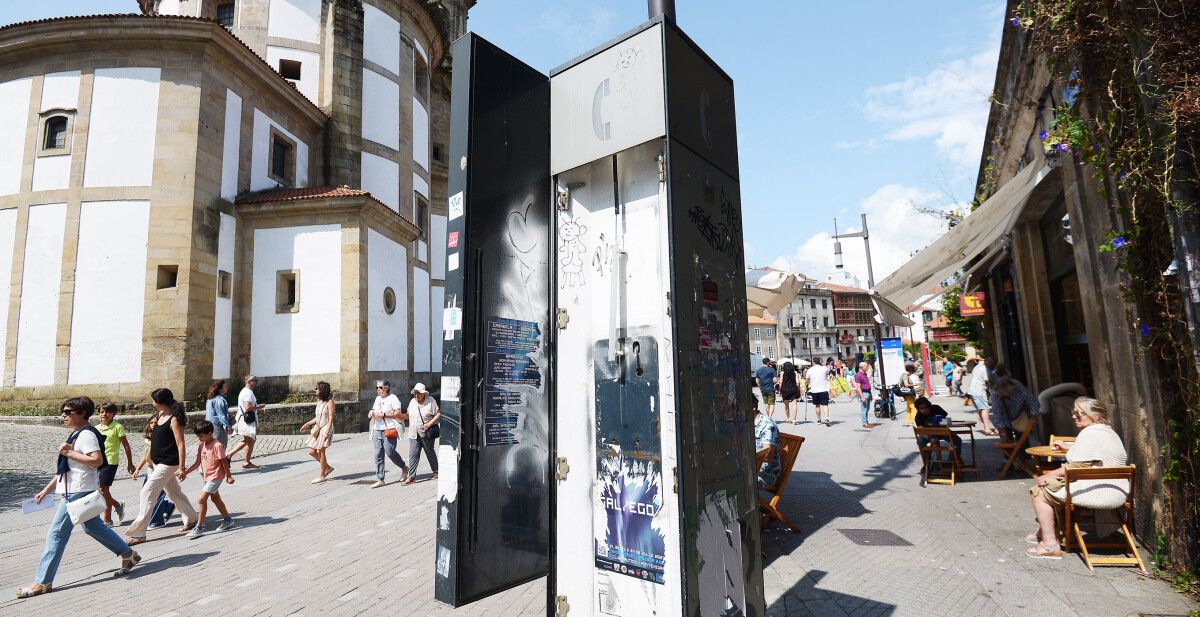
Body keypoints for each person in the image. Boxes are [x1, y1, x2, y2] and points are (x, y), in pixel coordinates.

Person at [16, 397, 141, 598]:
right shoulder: (77, 433)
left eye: (68, 412)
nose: (63, 415)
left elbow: (96, 460)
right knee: (92, 526)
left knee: (56, 534)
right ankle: (129, 554)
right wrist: (47, 489)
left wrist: (69, 452)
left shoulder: (86, 435)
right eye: (63, 412)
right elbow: (67, 470)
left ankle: (43, 581)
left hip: (78, 491)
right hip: (74, 488)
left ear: (82, 413)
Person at [1026, 398, 1128, 560]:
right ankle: (1055, 533)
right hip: (1118, 491)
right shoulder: (1107, 432)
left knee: (1039, 492)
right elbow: (1093, 457)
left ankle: (1050, 544)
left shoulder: (1089, 433)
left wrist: (1047, 475)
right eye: (1073, 412)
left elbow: (1077, 467)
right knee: (1054, 485)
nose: (1074, 416)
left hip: (1099, 492)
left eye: (1078, 413)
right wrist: (1069, 448)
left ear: (1094, 416)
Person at [124, 389, 198, 545]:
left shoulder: (174, 419)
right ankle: (192, 518)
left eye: (153, 400)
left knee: (147, 492)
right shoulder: (159, 416)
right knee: (174, 492)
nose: (152, 403)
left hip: (169, 462)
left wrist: (182, 467)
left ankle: (139, 533)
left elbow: (180, 444)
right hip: (158, 462)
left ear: (160, 401)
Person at [182, 420, 235, 539]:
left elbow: (224, 461)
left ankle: (199, 527)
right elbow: (197, 463)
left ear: (210, 433)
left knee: (201, 499)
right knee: (216, 499)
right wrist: (186, 472)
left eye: (201, 436)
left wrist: (229, 476)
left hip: (216, 477)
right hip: (207, 477)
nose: (199, 438)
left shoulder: (217, 445)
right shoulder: (202, 446)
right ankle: (228, 520)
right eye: (198, 436)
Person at [131, 419, 175, 530]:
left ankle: (157, 520)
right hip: (150, 469)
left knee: (154, 494)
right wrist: (138, 468)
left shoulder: (162, 437)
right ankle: (168, 506)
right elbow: (146, 455)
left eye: (156, 423)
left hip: (160, 467)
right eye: (151, 423)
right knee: (148, 492)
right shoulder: (148, 438)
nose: (153, 425)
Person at [96, 403, 134, 527]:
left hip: (111, 461)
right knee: (99, 490)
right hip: (98, 461)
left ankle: (107, 520)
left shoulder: (118, 427)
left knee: (103, 488)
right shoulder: (96, 428)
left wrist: (130, 463)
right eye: (102, 412)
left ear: (113, 414)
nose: (104, 414)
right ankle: (117, 505)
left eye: (107, 412)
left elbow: (126, 445)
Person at [368, 380, 409, 488]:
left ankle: (404, 468)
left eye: (380, 387)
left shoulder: (393, 398)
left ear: (386, 388)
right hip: (377, 428)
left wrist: (384, 415)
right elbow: (373, 409)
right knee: (378, 454)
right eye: (377, 388)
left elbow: (398, 413)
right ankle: (380, 479)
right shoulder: (377, 399)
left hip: (390, 428)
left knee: (390, 451)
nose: (378, 390)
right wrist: (371, 412)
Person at [988, 369, 1042, 443]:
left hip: (1020, 418)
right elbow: (997, 415)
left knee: (1023, 443)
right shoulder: (996, 394)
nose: (1006, 394)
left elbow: (1032, 400)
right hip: (1005, 421)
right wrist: (1003, 434)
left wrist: (1033, 416)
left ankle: (1023, 454)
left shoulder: (1018, 386)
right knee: (1007, 445)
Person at [405, 382, 441, 484]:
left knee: (429, 452)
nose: (417, 395)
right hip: (413, 433)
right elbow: (408, 415)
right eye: (415, 393)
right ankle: (411, 476)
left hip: (426, 433)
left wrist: (429, 424)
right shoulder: (412, 402)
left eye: (419, 393)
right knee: (413, 454)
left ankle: (436, 471)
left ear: (424, 393)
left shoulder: (431, 401)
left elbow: (438, 414)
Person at [300, 381, 335, 483]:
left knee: (321, 451)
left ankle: (322, 475)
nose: (315, 390)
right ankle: (327, 467)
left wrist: (327, 431)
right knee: (312, 451)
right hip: (318, 427)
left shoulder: (330, 402)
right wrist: (307, 424)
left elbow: (331, 418)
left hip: (326, 428)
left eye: (317, 388)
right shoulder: (319, 402)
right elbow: (317, 417)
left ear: (322, 390)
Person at [227, 375, 264, 468]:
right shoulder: (248, 393)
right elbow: (247, 407)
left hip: (244, 419)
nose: (255, 382)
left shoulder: (245, 391)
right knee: (249, 439)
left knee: (251, 439)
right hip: (246, 420)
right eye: (253, 380)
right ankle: (229, 454)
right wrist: (259, 407)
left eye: (256, 380)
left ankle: (246, 462)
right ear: (248, 381)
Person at [752, 394, 781, 488]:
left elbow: (767, 455)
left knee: (733, 482)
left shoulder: (767, 425)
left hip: (766, 473)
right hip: (751, 468)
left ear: (753, 408)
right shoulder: (744, 423)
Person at [966, 359, 995, 435]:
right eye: (992, 363)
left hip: (972, 391)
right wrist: (992, 390)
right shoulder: (985, 368)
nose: (992, 365)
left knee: (979, 410)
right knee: (985, 409)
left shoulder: (977, 367)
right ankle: (987, 429)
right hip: (979, 391)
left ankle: (984, 427)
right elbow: (987, 380)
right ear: (988, 362)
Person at [204, 380, 232, 448]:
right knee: (220, 446)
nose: (227, 388)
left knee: (211, 445)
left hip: (209, 424)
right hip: (218, 426)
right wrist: (228, 426)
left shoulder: (210, 398)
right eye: (225, 386)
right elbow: (221, 415)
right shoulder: (220, 399)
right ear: (220, 388)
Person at [806, 357, 831, 426]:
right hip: (824, 389)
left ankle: (819, 419)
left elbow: (807, 379)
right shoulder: (825, 368)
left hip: (814, 390)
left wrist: (808, 385)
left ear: (813, 362)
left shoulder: (810, 370)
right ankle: (826, 418)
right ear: (819, 362)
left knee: (817, 405)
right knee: (825, 405)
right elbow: (827, 375)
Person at [854, 362, 875, 429]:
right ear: (861, 367)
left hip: (868, 392)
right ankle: (865, 423)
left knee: (867, 409)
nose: (867, 367)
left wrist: (870, 394)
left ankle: (866, 422)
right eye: (866, 366)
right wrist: (862, 396)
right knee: (864, 409)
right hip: (864, 393)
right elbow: (858, 386)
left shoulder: (864, 374)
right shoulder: (858, 375)